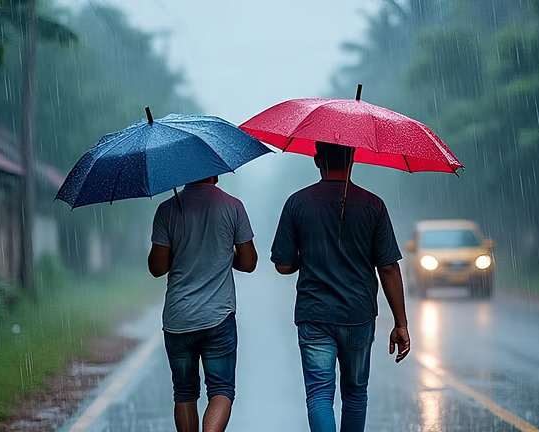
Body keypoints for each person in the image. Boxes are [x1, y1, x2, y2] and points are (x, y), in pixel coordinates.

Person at [271, 142, 411, 432]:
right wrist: (400, 323)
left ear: (316, 160)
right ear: (354, 159)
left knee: (320, 394)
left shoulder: (297, 203)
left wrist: (307, 254)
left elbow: (283, 265)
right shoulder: (373, 205)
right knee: (355, 392)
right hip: (358, 316)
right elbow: (387, 267)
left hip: (314, 315)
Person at [148, 175, 257, 432]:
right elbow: (249, 262)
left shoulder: (167, 210)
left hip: (178, 320)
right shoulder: (233, 206)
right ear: (215, 172)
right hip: (218, 318)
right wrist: (225, 255)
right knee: (221, 390)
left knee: (184, 393)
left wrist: (178, 248)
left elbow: (157, 267)